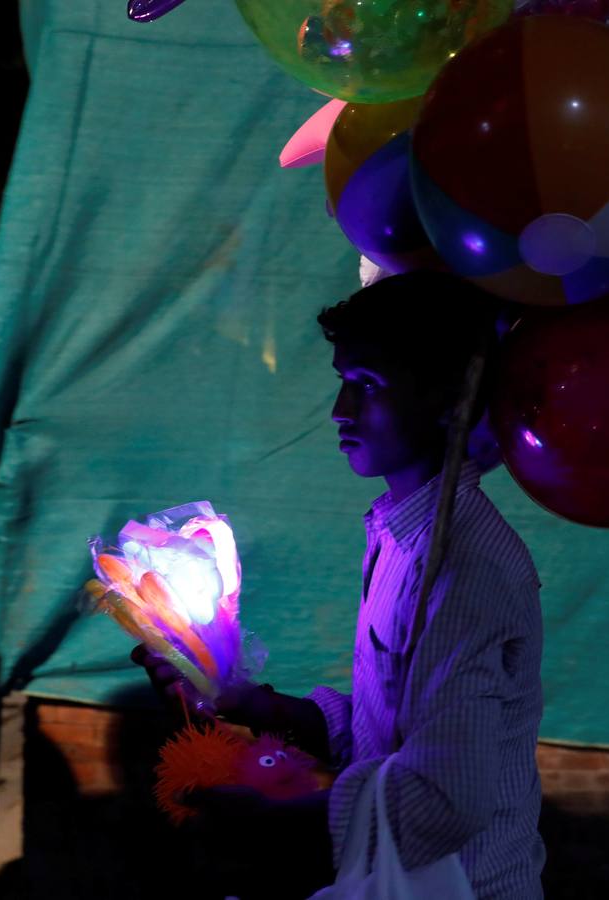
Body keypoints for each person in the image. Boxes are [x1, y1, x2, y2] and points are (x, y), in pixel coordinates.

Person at [134, 271, 546, 898]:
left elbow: (441, 799)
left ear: (447, 400)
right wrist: (252, 702)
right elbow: (392, 734)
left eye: (368, 386)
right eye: (342, 383)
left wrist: (262, 819)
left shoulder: (463, 569)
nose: (339, 411)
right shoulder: (398, 534)